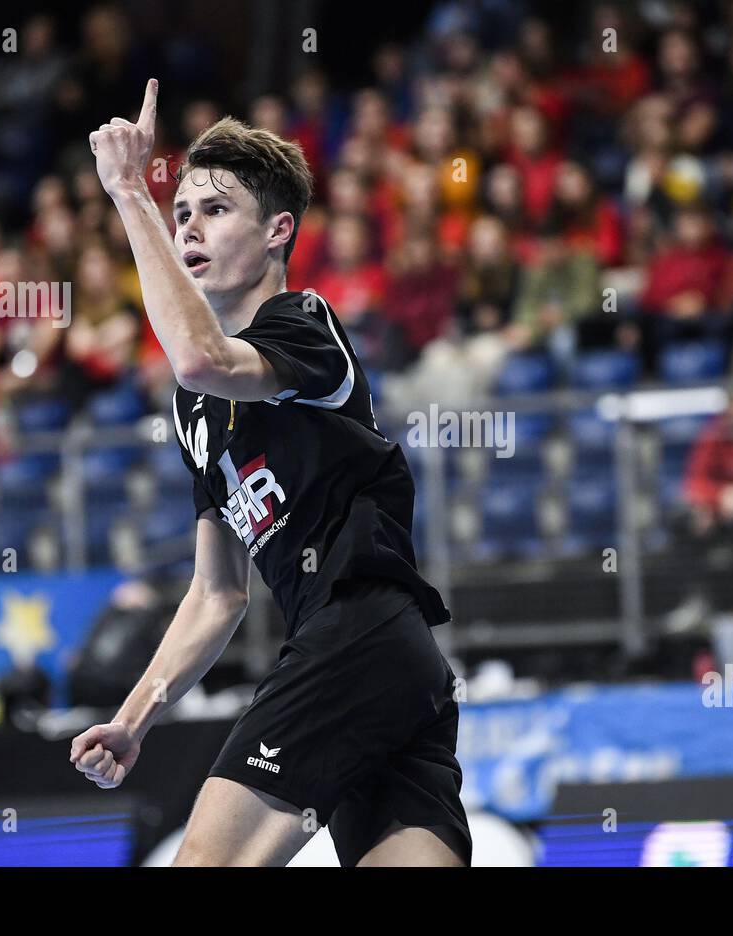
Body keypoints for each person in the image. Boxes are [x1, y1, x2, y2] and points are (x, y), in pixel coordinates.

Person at [69, 80, 471, 868]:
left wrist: (130, 192)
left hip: (359, 631)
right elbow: (217, 594)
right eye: (181, 211)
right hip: (391, 673)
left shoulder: (305, 326)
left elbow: (201, 357)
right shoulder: (194, 411)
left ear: (278, 231)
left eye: (216, 210)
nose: (189, 226)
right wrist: (135, 717)